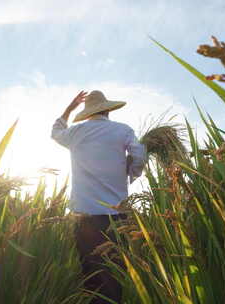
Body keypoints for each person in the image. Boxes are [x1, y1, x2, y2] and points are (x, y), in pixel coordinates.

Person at [51, 90, 146, 304]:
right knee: (114, 274)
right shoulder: (122, 130)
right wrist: (130, 173)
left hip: (84, 217)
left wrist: (68, 109)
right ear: (108, 110)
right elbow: (139, 155)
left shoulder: (76, 132)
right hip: (116, 217)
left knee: (91, 276)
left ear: (88, 113)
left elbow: (56, 132)